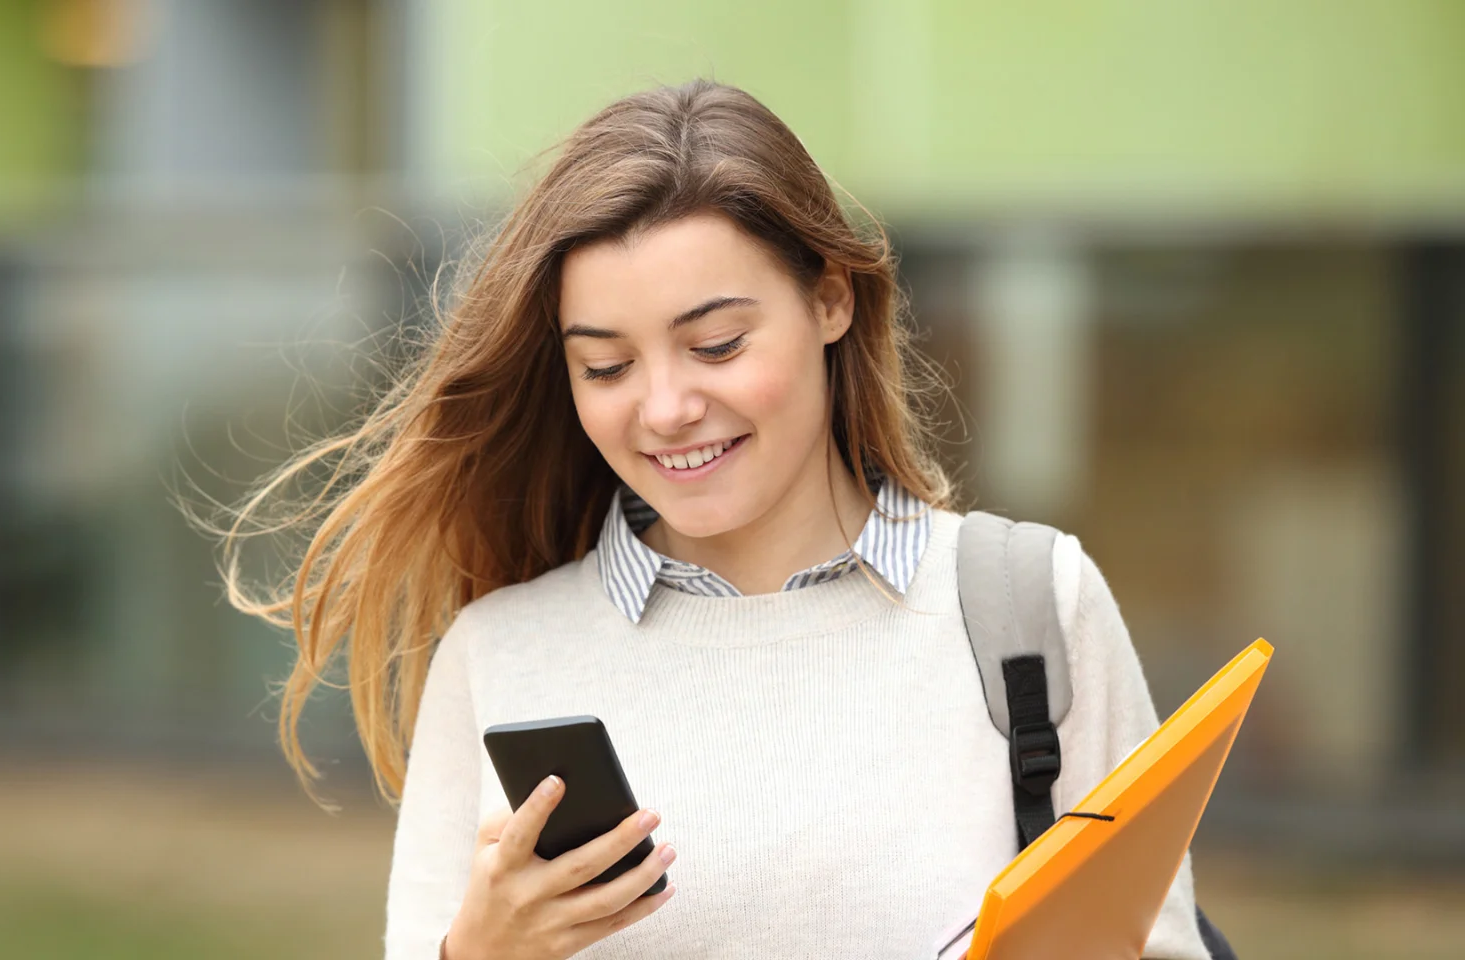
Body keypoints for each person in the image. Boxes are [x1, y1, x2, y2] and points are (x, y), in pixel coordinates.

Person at [220, 79, 1213, 960]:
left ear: (830, 303)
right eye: (605, 366)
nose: (662, 408)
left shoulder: (1028, 609)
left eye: (717, 343)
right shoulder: (501, 654)